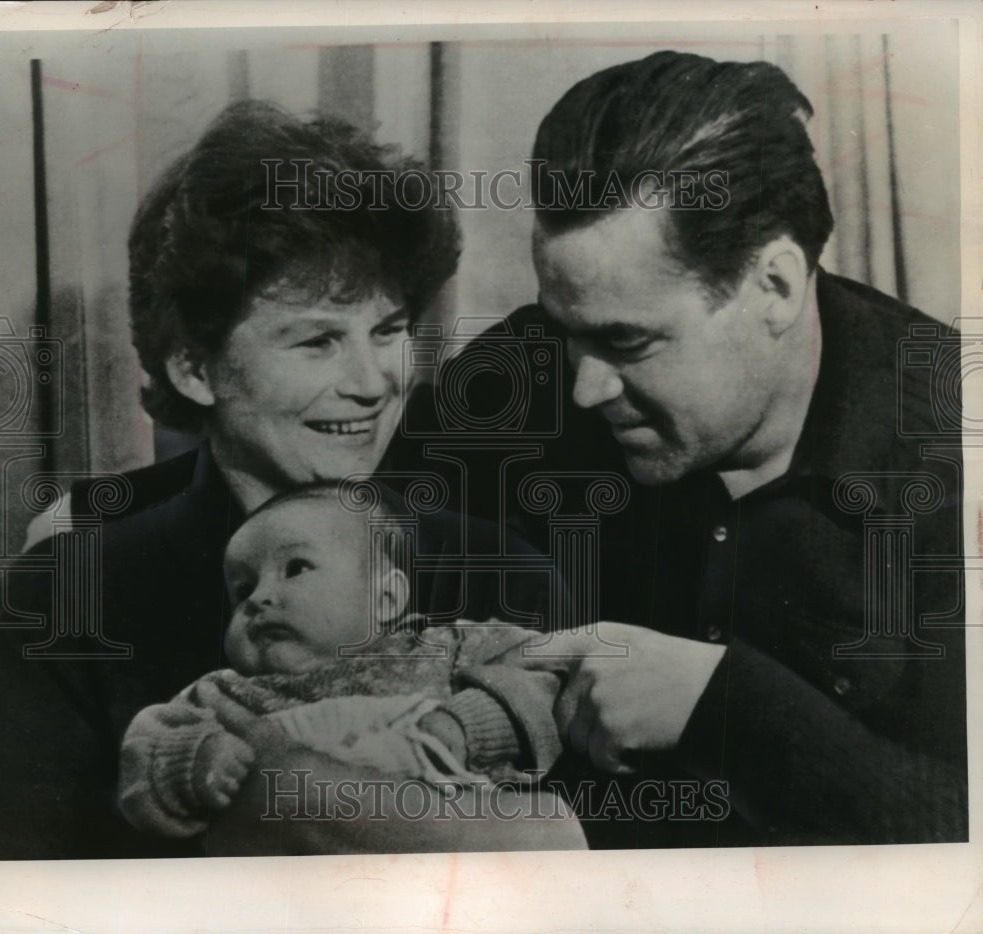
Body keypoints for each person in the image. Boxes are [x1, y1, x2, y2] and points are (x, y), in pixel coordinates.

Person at [394, 50, 968, 847]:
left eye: (628, 342)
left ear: (775, 286)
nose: (584, 389)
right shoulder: (515, 381)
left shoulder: (957, 447)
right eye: (567, 332)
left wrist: (721, 704)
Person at [0, 101, 559, 859]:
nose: (374, 381)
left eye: (388, 331)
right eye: (318, 340)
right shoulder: (59, 596)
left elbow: (566, 876)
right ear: (194, 367)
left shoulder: (504, 573)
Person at [116, 484, 579, 851]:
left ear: (386, 599)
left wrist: (467, 727)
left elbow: (542, 675)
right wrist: (196, 763)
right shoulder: (224, 696)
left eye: (295, 568)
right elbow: (146, 752)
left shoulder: (443, 647)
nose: (258, 598)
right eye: (242, 589)